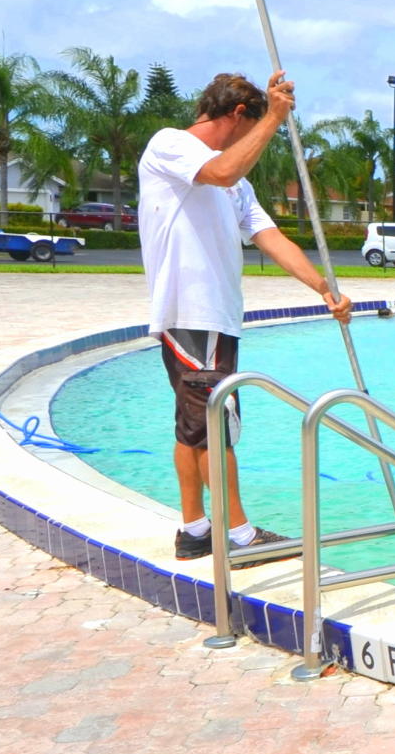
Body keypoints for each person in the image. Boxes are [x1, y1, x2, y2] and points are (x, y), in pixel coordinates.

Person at [138, 70, 351, 559]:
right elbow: (222, 171)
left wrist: (323, 288)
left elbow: (270, 237)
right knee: (217, 423)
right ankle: (239, 535)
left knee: (193, 426)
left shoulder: (236, 184)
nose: (254, 140)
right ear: (238, 115)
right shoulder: (171, 145)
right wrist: (274, 117)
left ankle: (194, 530)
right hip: (192, 311)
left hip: (215, 318)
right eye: (250, 126)